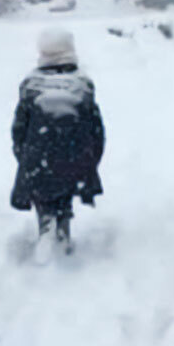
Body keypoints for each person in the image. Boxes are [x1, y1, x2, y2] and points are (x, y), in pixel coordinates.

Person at [10, 28, 105, 263]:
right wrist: (90, 160)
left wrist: (25, 157)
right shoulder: (82, 85)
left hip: (38, 158)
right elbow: (96, 130)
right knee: (65, 188)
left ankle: (46, 228)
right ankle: (62, 234)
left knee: (44, 191)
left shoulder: (30, 86)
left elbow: (18, 130)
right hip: (76, 157)